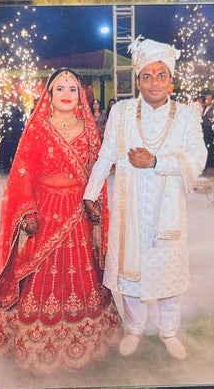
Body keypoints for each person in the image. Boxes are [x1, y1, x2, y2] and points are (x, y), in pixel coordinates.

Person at [83, 37, 207, 361]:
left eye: (161, 75)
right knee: (129, 277)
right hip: (129, 211)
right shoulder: (122, 112)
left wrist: (155, 162)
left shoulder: (187, 116)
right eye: (147, 76)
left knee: (170, 277)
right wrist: (90, 193)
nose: (154, 82)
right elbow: (105, 156)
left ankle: (168, 332)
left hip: (168, 213)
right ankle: (134, 328)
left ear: (171, 80)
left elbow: (198, 158)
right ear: (137, 80)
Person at [0, 68, 120, 373]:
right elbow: (23, 172)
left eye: (72, 89)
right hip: (46, 211)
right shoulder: (38, 129)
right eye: (59, 88)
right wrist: (30, 211)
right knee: (37, 271)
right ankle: (34, 343)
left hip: (80, 213)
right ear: (48, 95)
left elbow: (97, 176)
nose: (66, 93)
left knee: (85, 273)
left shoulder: (90, 131)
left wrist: (96, 204)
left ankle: (88, 341)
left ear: (81, 96)